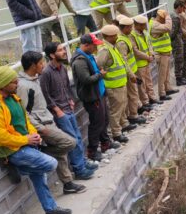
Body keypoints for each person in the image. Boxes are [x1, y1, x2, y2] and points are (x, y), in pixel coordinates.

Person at [0, 66, 72, 214]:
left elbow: (25, 120)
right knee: (51, 164)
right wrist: (25, 139)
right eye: (13, 82)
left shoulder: (14, 98)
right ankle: (16, 165)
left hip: (27, 144)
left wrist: (33, 134)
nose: (17, 84)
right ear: (3, 84)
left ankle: (50, 209)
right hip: (14, 151)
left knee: (39, 176)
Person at [18, 51, 89, 193]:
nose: (43, 65)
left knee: (61, 153)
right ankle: (43, 152)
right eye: (40, 63)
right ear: (33, 65)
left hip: (48, 119)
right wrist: (40, 127)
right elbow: (24, 112)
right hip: (42, 125)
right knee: (70, 142)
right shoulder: (23, 86)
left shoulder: (35, 79)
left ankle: (68, 184)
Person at [40, 42, 96, 179]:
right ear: (52, 55)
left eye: (64, 49)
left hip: (68, 108)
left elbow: (66, 86)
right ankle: (79, 170)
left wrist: (71, 100)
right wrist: (57, 110)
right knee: (72, 140)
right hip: (60, 113)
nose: (64, 51)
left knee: (77, 137)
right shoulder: (46, 73)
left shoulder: (63, 68)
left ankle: (82, 163)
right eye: (60, 50)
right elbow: (45, 94)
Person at [71, 34, 118, 161]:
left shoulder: (89, 56)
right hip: (92, 97)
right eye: (94, 45)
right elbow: (86, 79)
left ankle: (105, 143)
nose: (96, 48)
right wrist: (100, 75)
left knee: (104, 119)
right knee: (96, 123)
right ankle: (92, 151)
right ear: (86, 45)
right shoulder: (80, 61)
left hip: (99, 94)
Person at [96, 25, 134, 143]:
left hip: (120, 83)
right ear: (108, 36)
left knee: (122, 105)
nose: (117, 37)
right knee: (116, 110)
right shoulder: (105, 50)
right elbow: (99, 64)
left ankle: (124, 123)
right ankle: (116, 133)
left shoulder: (112, 47)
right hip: (113, 85)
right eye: (114, 35)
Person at [117, 15, 147, 125]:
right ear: (123, 28)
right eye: (129, 27)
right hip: (129, 73)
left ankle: (134, 112)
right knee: (133, 94)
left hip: (132, 70)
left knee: (133, 93)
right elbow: (124, 60)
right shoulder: (121, 42)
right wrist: (131, 75)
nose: (131, 29)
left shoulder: (126, 37)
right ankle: (133, 115)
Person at [150, 10, 178, 101]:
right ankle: (162, 94)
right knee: (162, 75)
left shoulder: (158, 24)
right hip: (161, 53)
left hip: (165, 52)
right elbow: (168, 27)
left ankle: (167, 88)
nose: (165, 20)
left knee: (166, 74)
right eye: (164, 18)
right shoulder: (154, 25)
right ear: (160, 17)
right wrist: (168, 17)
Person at [131, 15, 157, 110]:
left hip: (147, 62)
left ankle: (152, 98)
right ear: (136, 25)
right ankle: (145, 102)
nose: (144, 27)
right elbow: (135, 51)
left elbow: (149, 44)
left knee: (149, 81)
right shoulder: (132, 35)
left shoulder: (145, 33)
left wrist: (152, 54)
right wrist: (147, 57)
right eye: (142, 25)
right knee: (142, 85)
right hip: (140, 64)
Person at [170, 0, 186, 86]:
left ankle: (179, 78)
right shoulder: (176, 17)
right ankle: (179, 79)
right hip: (177, 42)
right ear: (179, 7)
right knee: (179, 60)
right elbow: (174, 32)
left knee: (178, 60)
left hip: (175, 41)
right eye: (182, 7)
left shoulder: (171, 14)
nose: (183, 10)